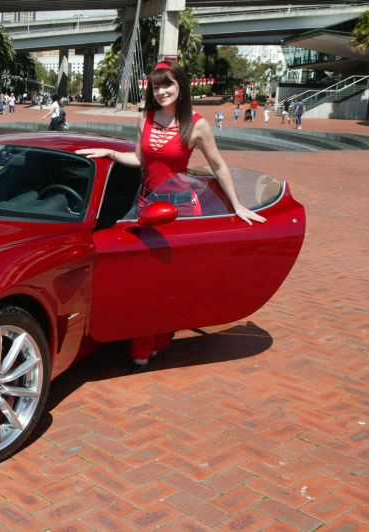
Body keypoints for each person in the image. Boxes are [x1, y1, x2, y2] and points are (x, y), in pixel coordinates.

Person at [74, 61, 265, 372]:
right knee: (145, 278)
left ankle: (148, 343)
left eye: (168, 85)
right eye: (157, 86)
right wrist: (109, 154)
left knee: (165, 281)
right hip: (146, 204)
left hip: (181, 209)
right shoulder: (144, 118)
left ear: (181, 87)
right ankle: (154, 339)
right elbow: (138, 158)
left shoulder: (196, 124)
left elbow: (217, 165)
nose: (162, 91)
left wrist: (238, 205)